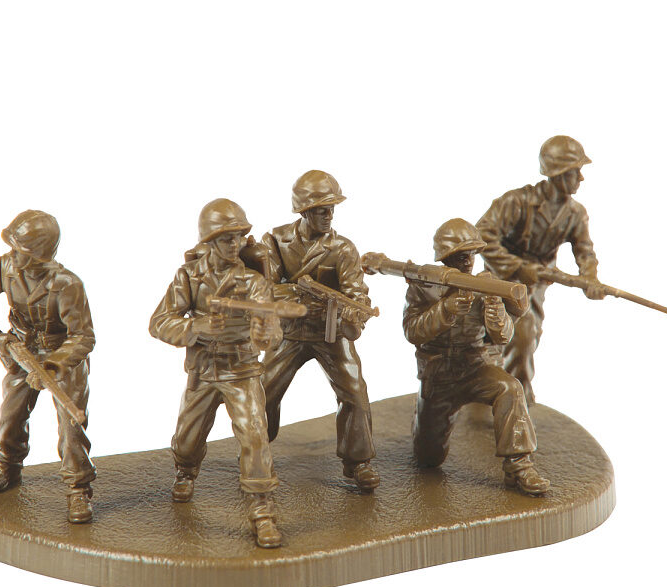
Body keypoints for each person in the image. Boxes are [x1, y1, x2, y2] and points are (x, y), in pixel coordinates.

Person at [150, 198, 284, 548]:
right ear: (209, 241)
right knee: (188, 439)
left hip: (242, 370)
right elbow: (159, 323)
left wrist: (264, 332)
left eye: (239, 237)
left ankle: (262, 508)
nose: (235, 244)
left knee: (255, 435)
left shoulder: (253, 282)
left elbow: (271, 332)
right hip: (204, 370)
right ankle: (186, 471)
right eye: (226, 238)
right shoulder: (189, 276)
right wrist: (196, 327)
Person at [0, 210, 96, 522]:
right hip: (21, 352)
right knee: (11, 415)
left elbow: (83, 337)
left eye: (21, 250)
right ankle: (7, 467)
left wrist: (52, 365)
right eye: (14, 248)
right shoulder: (5, 267)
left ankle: (78, 488)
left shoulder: (67, 284)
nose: (13, 255)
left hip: (63, 358)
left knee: (71, 427)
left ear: (39, 254)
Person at [403, 218, 549, 495]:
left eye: (471, 254)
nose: (468, 261)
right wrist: (445, 310)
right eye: (461, 255)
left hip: (476, 367)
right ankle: (422, 418)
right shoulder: (424, 286)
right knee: (428, 459)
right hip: (439, 375)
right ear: (445, 257)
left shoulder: (487, 285)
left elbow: (503, 336)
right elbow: (412, 331)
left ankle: (519, 466)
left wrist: (496, 315)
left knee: (510, 388)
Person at [260, 170, 379, 491]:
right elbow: (262, 290)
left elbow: (356, 294)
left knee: (354, 390)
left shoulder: (343, 249)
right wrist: (300, 296)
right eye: (322, 210)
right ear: (304, 211)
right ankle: (256, 452)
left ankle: (358, 461)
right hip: (289, 331)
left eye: (332, 209)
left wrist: (353, 313)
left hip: (331, 332)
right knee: (261, 391)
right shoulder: (276, 241)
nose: (329, 216)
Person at [477, 135, 606, 405]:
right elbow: (482, 236)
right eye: (575, 171)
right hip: (498, 281)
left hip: (534, 287)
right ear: (558, 173)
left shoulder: (575, 214)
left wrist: (590, 279)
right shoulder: (517, 201)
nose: (581, 178)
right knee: (500, 336)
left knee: (526, 337)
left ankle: (514, 401)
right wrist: (518, 267)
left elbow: (585, 252)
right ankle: (508, 397)